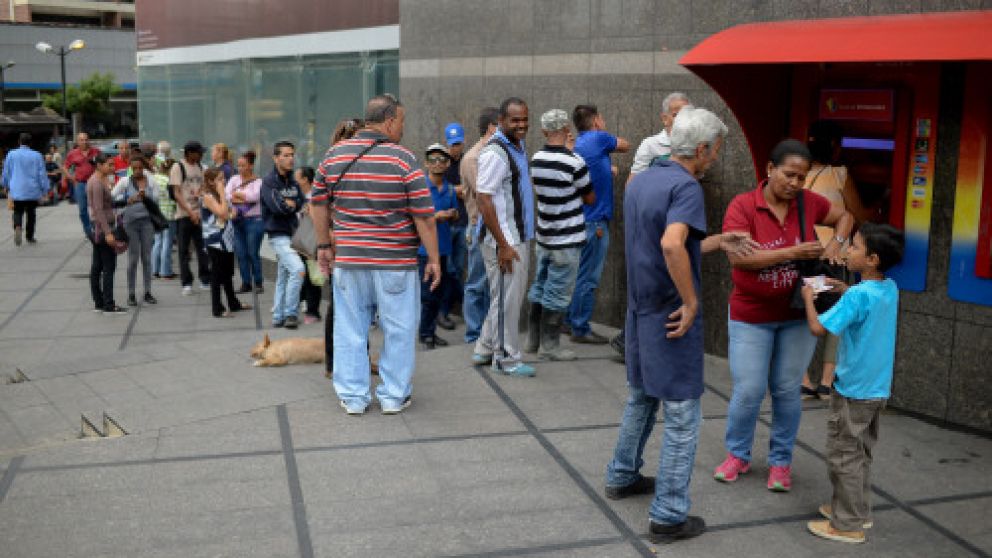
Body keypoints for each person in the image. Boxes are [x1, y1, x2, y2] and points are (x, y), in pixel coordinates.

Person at [605, 107, 756, 544]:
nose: (716, 158)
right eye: (716, 150)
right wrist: (691, 303)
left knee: (641, 398)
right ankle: (669, 515)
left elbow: (667, 243)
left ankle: (621, 474)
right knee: (682, 416)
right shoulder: (686, 186)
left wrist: (718, 241)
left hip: (640, 311)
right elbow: (672, 245)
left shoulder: (643, 180)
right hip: (669, 315)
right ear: (702, 149)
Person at [715, 139, 855, 492]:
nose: (795, 183)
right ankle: (737, 454)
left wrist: (836, 242)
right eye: (789, 175)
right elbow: (739, 258)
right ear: (770, 169)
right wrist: (792, 252)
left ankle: (780, 462)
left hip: (796, 315)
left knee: (787, 389)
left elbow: (846, 216)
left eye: (801, 177)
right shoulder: (743, 206)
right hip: (751, 314)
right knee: (749, 389)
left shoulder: (809, 203)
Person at [312, 94, 441, 415]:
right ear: (389, 121)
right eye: (402, 121)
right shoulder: (403, 159)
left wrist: (324, 246)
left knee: (349, 328)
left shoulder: (333, 155)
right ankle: (394, 395)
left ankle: (354, 397)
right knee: (399, 329)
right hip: (395, 262)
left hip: (350, 260)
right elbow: (424, 216)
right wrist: (434, 258)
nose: (402, 128)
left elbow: (318, 203)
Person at [801, 222, 904, 544]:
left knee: (844, 455)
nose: (848, 251)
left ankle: (847, 524)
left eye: (855, 247)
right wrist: (845, 290)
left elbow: (818, 329)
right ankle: (857, 510)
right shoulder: (889, 287)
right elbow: (865, 303)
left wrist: (808, 297)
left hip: (853, 390)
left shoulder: (859, 295)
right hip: (876, 388)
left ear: (872, 259)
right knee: (860, 452)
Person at [612, 93, 692, 361]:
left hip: (679, 222)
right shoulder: (651, 145)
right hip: (652, 227)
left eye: (687, 113)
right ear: (665, 118)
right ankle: (631, 342)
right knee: (647, 287)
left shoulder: (693, 146)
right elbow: (632, 184)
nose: (682, 119)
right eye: (677, 113)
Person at [800, 120, 871, 400]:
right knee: (837, 316)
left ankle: (803, 378)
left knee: (805, 311)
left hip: (805, 255)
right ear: (834, 145)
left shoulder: (797, 175)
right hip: (833, 259)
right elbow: (859, 215)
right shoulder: (839, 174)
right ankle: (826, 382)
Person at [472, 97, 537, 377]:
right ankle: (505, 359)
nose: (521, 125)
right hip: (506, 241)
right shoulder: (496, 153)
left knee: (504, 297)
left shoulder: (516, 145)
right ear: (501, 121)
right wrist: (503, 245)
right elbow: (483, 199)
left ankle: (485, 347)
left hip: (515, 236)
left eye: (525, 119)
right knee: (508, 302)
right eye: (515, 120)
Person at [525, 109, 594, 361]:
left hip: (544, 235)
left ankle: (532, 341)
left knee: (540, 285)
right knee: (558, 292)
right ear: (567, 129)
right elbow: (589, 197)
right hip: (567, 239)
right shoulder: (575, 162)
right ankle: (550, 346)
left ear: (544, 131)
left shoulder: (536, 159)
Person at [567, 104, 630, 344]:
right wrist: (605, 138)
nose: (604, 122)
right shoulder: (598, 138)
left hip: (581, 219)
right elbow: (625, 145)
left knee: (578, 274)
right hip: (595, 222)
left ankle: (570, 321)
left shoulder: (579, 145)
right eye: (602, 118)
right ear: (596, 121)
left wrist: (606, 168)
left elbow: (588, 170)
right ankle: (580, 328)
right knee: (588, 277)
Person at [319, 118, 364, 377]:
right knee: (338, 306)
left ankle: (360, 357)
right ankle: (332, 363)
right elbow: (318, 206)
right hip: (340, 245)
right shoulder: (332, 164)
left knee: (362, 306)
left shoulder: (362, 164)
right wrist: (328, 239)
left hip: (360, 244)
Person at [460, 107, 499, 344]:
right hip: (478, 226)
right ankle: (474, 334)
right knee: (476, 283)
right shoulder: (473, 158)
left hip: (494, 226)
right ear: (492, 128)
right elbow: (486, 194)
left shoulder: (495, 153)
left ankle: (486, 333)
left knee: (490, 284)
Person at [261, 140, 305, 329]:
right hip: (278, 235)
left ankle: (278, 316)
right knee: (298, 270)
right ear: (276, 158)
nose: (290, 159)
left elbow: (301, 202)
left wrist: (290, 203)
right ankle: (290, 313)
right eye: (286, 155)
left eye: (292, 155)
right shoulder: (269, 181)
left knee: (284, 275)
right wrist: (290, 205)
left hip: (292, 233)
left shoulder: (293, 181)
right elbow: (276, 207)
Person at [419, 144, 459, 349]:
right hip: (424, 250)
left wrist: (452, 215)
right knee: (428, 295)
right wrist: (436, 217)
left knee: (439, 294)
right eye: (433, 160)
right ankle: (425, 333)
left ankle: (431, 332)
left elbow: (456, 215)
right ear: (426, 163)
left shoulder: (450, 189)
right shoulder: (421, 188)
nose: (437, 163)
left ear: (448, 163)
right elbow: (415, 218)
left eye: (442, 160)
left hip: (444, 249)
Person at [201, 167, 251, 318]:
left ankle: (233, 303)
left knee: (228, 273)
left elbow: (230, 212)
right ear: (211, 182)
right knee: (217, 275)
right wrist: (223, 195)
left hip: (226, 239)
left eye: (224, 178)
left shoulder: (220, 195)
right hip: (215, 241)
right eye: (220, 179)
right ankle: (217, 308)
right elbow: (223, 213)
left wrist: (230, 210)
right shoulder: (208, 196)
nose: (223, 181)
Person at [111, 154, 159, 306]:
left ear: (144, 167)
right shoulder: (125, 181)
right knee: (133, 259)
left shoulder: (151, 180)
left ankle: (147, 292)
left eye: (140, 168)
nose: (138, 171)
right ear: (131, 169)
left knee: (147, 258)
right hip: (130, 223)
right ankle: (131, 294)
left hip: (147, 223)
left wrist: (146, 198)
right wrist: (127, 200)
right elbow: (111, 198)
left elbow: (157, 200)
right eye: (135, 168)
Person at [87, 154, 127, 314]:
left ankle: (99, 302)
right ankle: (108, 303)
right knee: (108, 266)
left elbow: (107, 204)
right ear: (99, 165)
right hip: (102, 227)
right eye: (109, 165)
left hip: (99, 227)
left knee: (97, 265)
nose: (112, 168)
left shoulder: (99, 180)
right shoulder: (96, 182)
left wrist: (127, 201)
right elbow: (98, 209)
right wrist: (108, 232)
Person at [170, 141, 211, 295]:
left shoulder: (201, 167)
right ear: (189, 153)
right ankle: (186, 282)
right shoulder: (178, 167)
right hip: (183, 214)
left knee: (203, 248)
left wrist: (200, 197)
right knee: (184, 250)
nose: (201, 155)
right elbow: (176, 193)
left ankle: (205, 278)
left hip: (199, 213)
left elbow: (204, 186)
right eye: (198, 153)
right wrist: (190, 211)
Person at [439, 121, 466, 330]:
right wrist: (457, 190)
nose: (455, 148)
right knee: (447, 270)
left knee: (457, 268)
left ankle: (450, 307)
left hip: (463, 222)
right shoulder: (442, 163)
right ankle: (443, 311)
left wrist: (457, 190)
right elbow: (441, 189)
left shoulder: (468, 162)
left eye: (458, 144)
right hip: (446, 225)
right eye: (452, 144)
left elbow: (470, 189)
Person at [226, 151, 265, 294]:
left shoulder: (258, 181)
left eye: (243, 165)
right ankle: (246, 282)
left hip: (254, 220)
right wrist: (241, 197)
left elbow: (255, 196)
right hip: (237, 220)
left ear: (251, 166)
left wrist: (237, 195)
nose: (240, 168)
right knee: (241, 253)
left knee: (252, 253)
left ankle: (258, 282)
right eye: (239, 165)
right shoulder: (234, 179)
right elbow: (226, 195)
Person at [2, 133, 48, 246]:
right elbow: (42, 174)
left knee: (17, 211)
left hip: (17, 189)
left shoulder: (11, 154)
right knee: (31, 213)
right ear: (30, 143)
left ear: (19, 142)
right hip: (32, 189)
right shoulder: (37, 155)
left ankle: (18, 226)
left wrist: (5, 185)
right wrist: (44, 190)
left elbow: (6, 171)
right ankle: (29, 236)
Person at [295, 165, 323, 325]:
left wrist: (310, 212)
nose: (295, 181)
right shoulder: (300, 197)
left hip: (313, 240)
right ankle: (302, 303)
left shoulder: (314, 197)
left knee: (313, 277)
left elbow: (317, 219)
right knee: (303, 275)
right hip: (302, 239)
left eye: (297, 178)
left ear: (305, 179)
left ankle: (313, 311)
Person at [63, 132, 101, 237]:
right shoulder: (72, 153)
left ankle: (97, 227)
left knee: (97, 207)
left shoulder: (96, 151)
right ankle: (88, 231)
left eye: (86, 139)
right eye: (81, 140)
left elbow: (103, 164)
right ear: (77, 142)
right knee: (82, 209)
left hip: (95, 183)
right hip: (80, 184)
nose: (84, 142)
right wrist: (71, 178)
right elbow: (65, 167)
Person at [150, 158, 178, 280]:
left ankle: (154, 270)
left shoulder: (154, 178)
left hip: (156, 214)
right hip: (169, 214)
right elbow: (174, 199)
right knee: (167, 242)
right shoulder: (169, 181)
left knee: (157, 241)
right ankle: (165, 271)